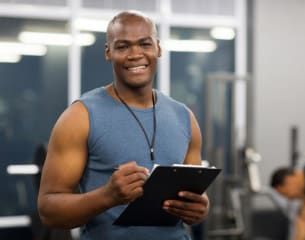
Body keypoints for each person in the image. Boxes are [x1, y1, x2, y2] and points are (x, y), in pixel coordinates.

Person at [37, 10, 209, 240]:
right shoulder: (80, 116)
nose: (135, 54)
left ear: (158, 48)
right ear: (108, 52)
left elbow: (193, 196)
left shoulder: (184, 117)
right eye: (123, 46)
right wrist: (107, 196)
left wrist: (199, 207)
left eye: (144, 44)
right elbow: (48, 211)